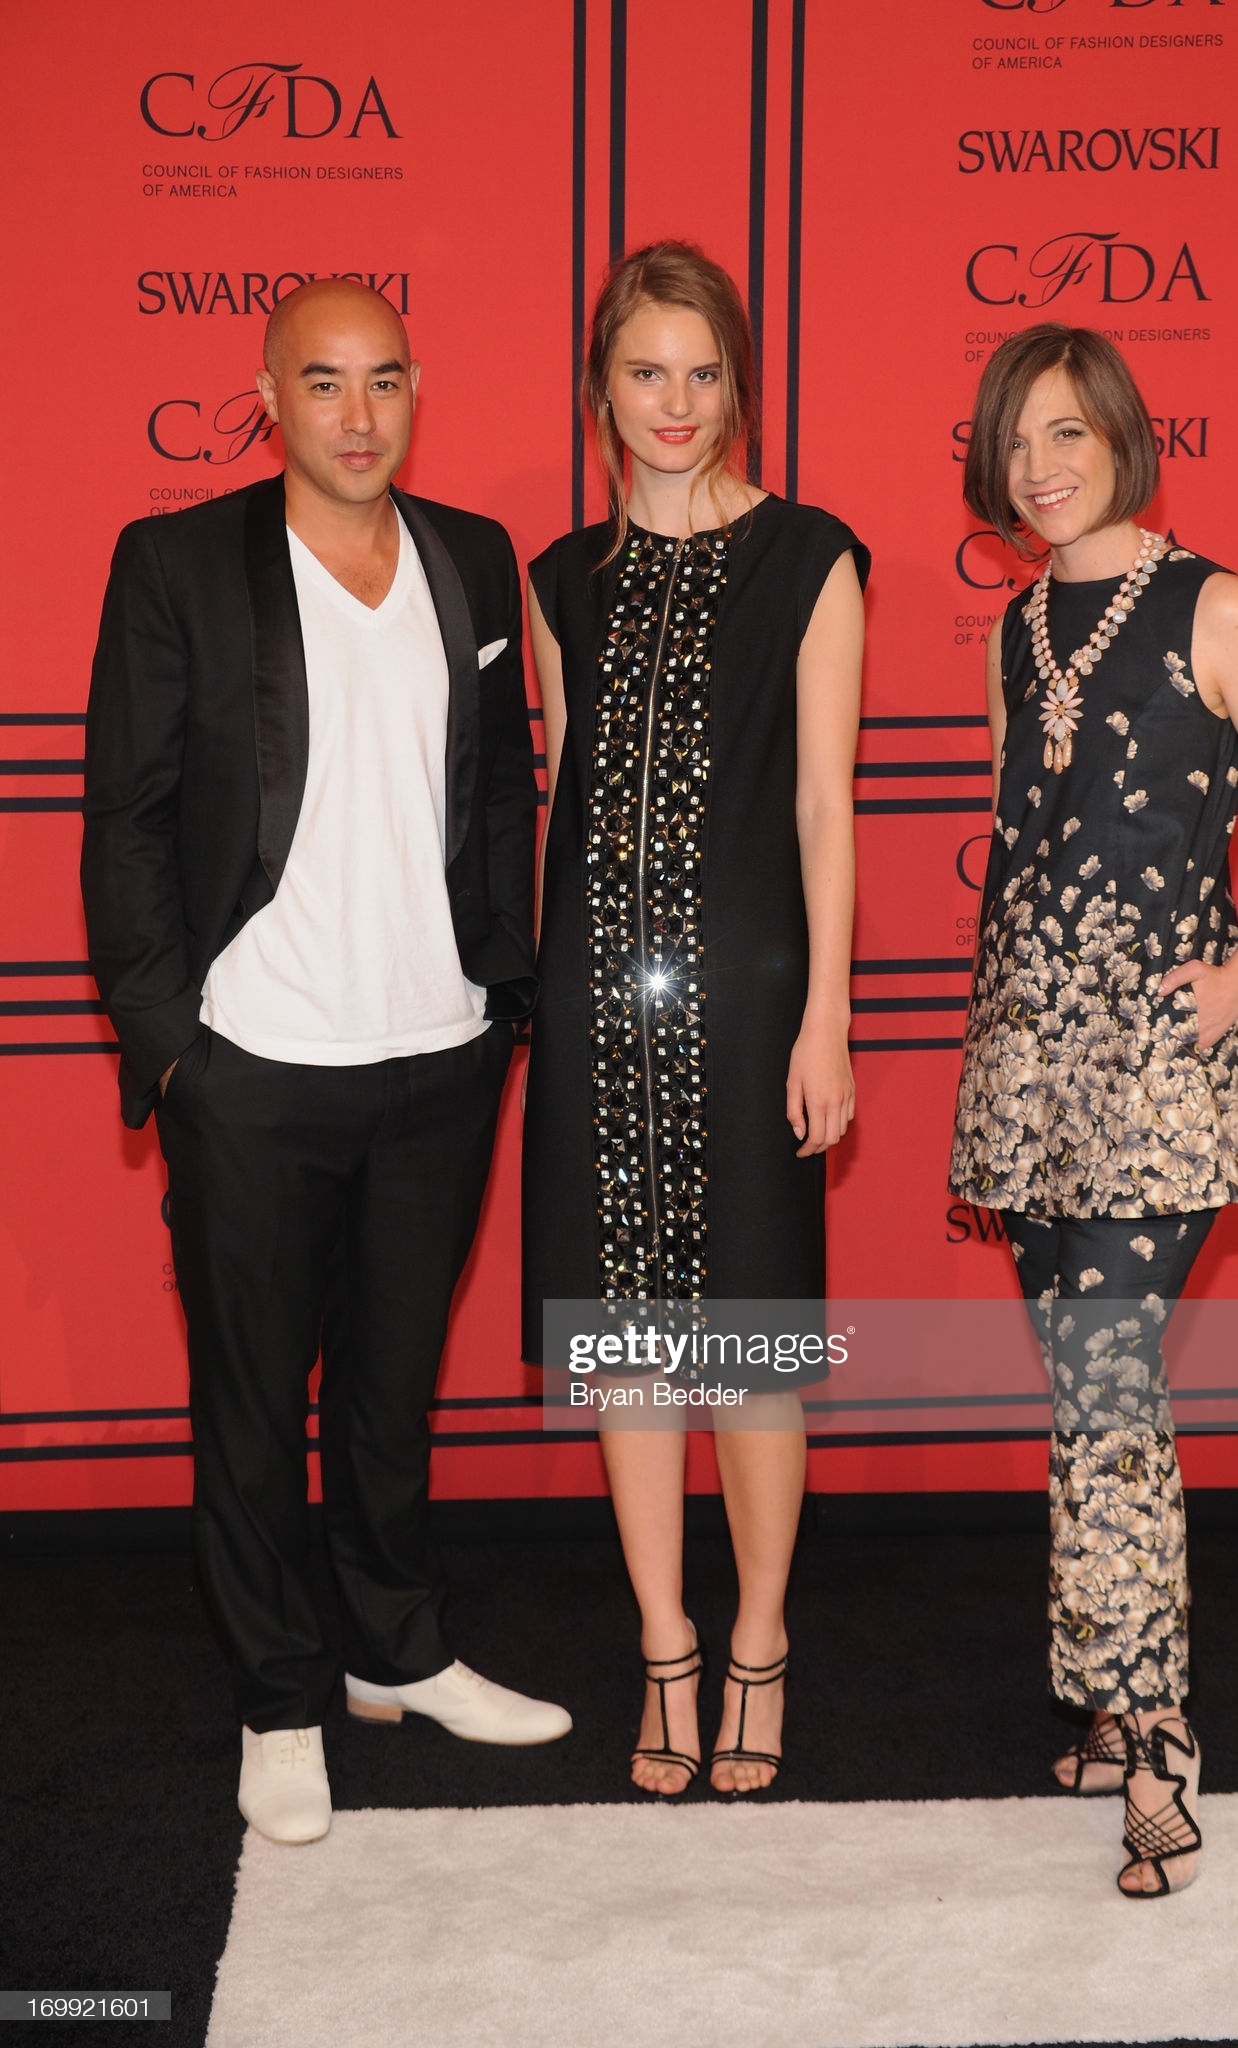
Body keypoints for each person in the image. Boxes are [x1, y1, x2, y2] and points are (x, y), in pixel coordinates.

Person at [82, 279, 571, 1848]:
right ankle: (280, 1698)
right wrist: (173, 1046)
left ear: (417, 390)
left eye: (385, 382)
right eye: (323, 383)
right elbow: (126, 818)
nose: (359, 417)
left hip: (440, 1054)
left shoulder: (471, 556)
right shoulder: (175, 563)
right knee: (250, 1408)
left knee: (389, 1391)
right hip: (258, 1063)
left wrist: (502, 983)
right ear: (269, 395)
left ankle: (397, 1652)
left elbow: (499, 787)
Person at [949, 323, 1238, 1895]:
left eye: (1067, 432)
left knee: (1108, 1387)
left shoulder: (1217, 606)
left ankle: (1157, 1731)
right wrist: (994, 1057)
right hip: (1025, 1063)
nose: (1041, 467)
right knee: (1086, 1389)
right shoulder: (1016, 626)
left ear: (1123, 432)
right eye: (1015, 440)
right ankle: (1112, 1694)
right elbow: (1019, 855)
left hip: (1158, 1071)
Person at [522, 241, 867, 1797]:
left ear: (739, 383)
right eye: (645, 371)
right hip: (597, 1008)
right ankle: (665, 1642)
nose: (676, 402)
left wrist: (825, 1019)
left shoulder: (812, 557)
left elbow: (823, 806)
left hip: (751, 1010)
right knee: (630, 1348)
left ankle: (761, 1639)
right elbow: (562, 802)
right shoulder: (558, 581)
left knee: (750, 1346)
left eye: (703, 372)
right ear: (601, 386)